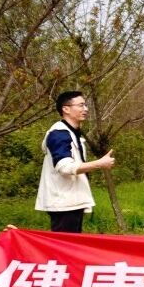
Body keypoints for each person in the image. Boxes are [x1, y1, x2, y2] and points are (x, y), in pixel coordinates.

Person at [35, 91, 115, 233]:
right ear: (66, 109)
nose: (86, 109)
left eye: (85, 105)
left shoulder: (72, 133)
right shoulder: (59, 134)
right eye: (81, 105)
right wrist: (100, 163)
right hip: (63, 203)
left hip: (71, 201)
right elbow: (65, 167)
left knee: (70, 244)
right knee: (63, 245)